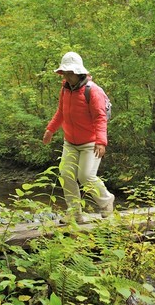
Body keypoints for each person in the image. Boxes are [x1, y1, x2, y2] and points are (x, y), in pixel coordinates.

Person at [42, 52, 115, 223]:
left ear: (79, 72)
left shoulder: (92, 90)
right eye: (64, 73)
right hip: (70, 142)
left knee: (86, 176)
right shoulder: (65, 89)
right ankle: (74, 213)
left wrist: (101, 141)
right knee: (66, 174)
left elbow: (100, 117)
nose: (67, 77)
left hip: (90, 142)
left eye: (70, 73)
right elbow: (61, 112)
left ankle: (106, 202)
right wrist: (50, 130)